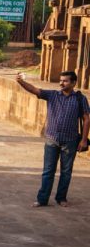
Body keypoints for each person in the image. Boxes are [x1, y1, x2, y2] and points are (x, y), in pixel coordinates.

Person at [16, 71, 89, 207]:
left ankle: (61, 198)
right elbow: (35, 90)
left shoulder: (80, 99)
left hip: (70, 141)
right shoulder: (53, 95)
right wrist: (21, 82)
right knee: (48, 171)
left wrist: (84, 140)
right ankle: (42, 199)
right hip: (52, 139)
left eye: (65, 81)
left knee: (66, 172)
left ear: (73, 83)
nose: (61, 83)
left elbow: (86, 119)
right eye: (61, 80)